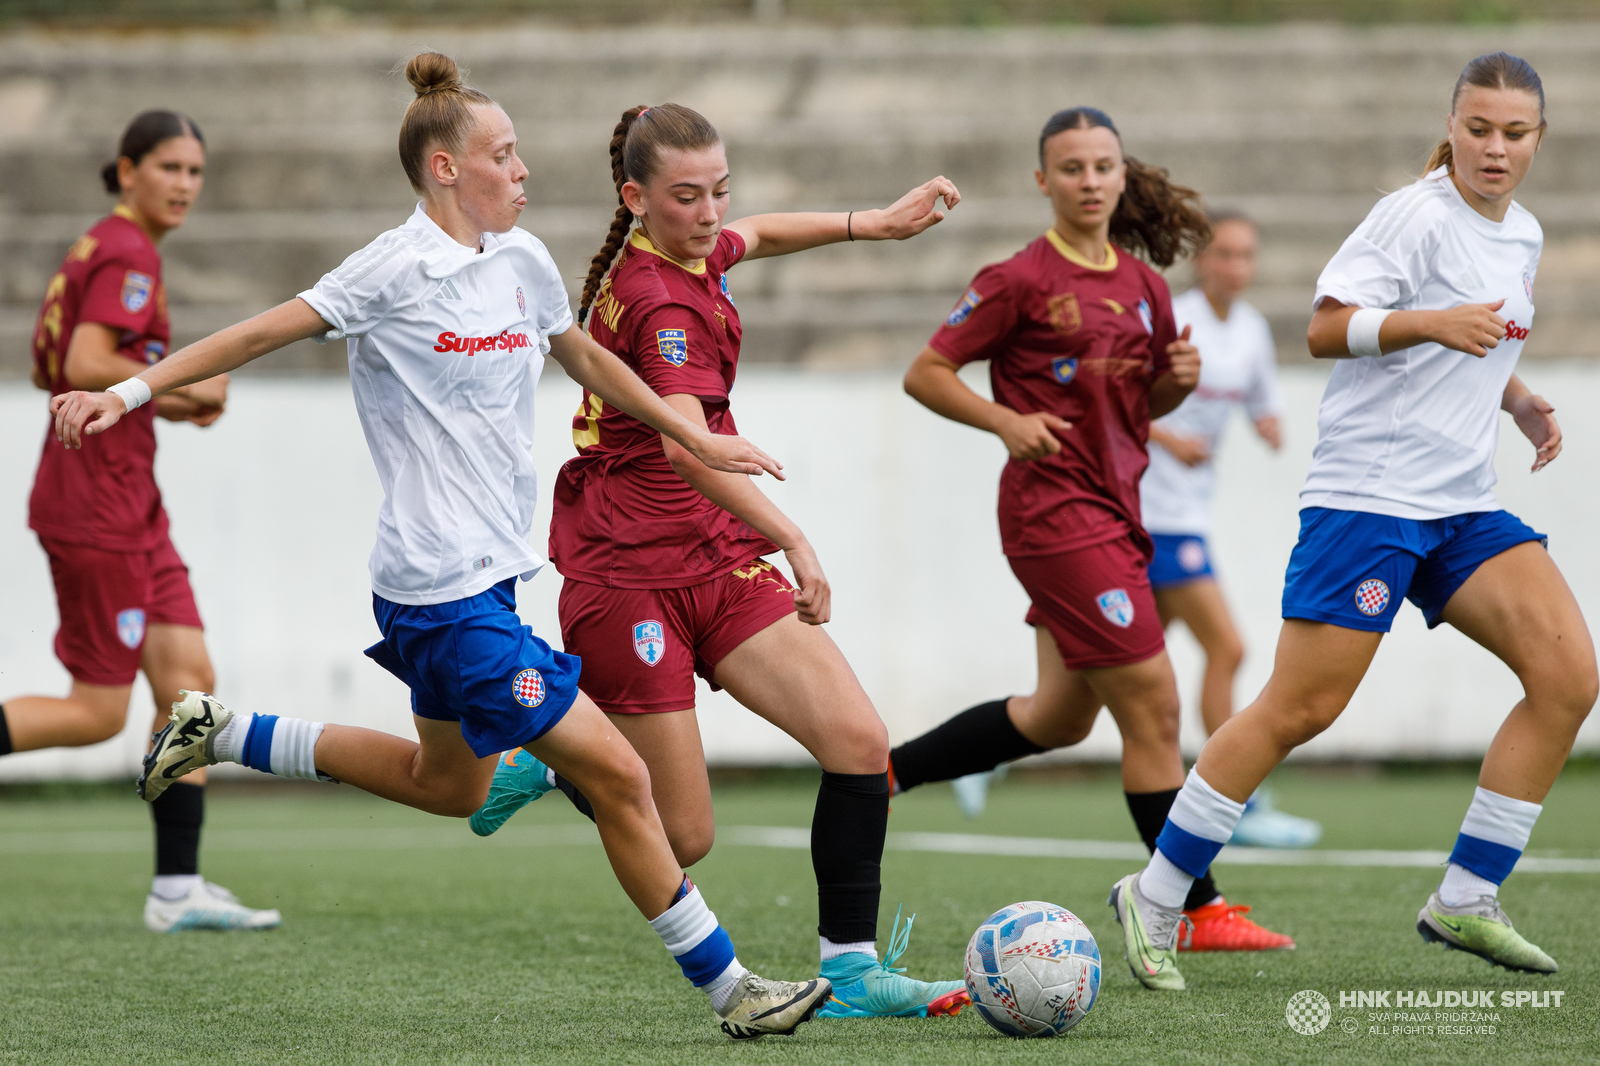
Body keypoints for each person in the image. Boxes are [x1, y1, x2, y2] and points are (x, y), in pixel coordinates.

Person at [51, 54, 831, 1039]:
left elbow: (584, 354)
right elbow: (255, 336)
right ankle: (735, 992)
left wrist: (694, 434)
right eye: (503, 155)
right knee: (622, 777)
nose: (524, 170)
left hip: (491, 585)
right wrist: (124, 393)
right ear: (446, 170)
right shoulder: (391, 269)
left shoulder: (522, 261)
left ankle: (224, 731)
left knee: (449, 785)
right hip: (437, 590)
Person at [466, 102, 971, 1020]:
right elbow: (685, 449)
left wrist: (873, 223)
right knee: (684, 835)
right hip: (629, 571)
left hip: (713, 552)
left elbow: (758, 234)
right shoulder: (658, 303)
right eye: (686, 197)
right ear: (636, 197)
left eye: (717, 191)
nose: (709, 214)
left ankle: (850, 974)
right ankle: (565, 755)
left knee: (857, 744)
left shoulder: (691, 252)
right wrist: (794, 536)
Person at [1109, 52, 1592, 991]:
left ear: (1540, 139)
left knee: (1569, 676)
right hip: (1370, 498)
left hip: (1461, 502)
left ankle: (1466, 898)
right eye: (1479, 128)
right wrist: (1430, 322)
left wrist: (1520, 398)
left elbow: (1480, 343)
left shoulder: (1523, 233)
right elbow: (1326, 329)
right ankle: (1157, 895)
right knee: (1300, 708)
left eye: (1516, 132)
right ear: (1452, 126)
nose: (1496, 148)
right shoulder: (1410, 215)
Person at [883, 107, 1294, 955]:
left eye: (1103, 165)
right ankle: (1195, 910)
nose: (1090, 181)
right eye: (1070, 168)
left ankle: (886, 773)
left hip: (1116, 510)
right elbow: (925, 374)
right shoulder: (1018, 279)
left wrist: (1175, 384)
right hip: (1051, 516)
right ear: (1044, 181)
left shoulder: (1144, 287)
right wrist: (1003, 421)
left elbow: (1138, 412)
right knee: (1155, 704)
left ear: (1120, 172)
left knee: (1057, 718)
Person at [3, 110, 273, 932]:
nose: (185, 184)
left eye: (195, 170)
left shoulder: (101, 247)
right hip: (97, 512)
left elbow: (64, 368)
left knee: (188, 686)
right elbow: (86, 364)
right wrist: (189, 388)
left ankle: (176, 890)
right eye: (168, 168)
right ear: (126, 172)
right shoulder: (124, 251)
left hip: (133, 509)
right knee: (95, 713)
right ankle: (176, 886)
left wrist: (170, 399)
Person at [1141, 210, 1321, 849]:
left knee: (1113, 670)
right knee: (1229, 648)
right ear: (1201, 259)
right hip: (1153, 513)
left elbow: (1260, 402)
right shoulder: (1171, 319)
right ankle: (1234, 801)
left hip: (1189, 511)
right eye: (1225, 254)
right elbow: (1118, 402)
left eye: (1247, 255)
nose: (1237, 267)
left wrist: (1268, 425)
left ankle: (995, 751)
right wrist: (1168, 437)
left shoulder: (1248, 330)